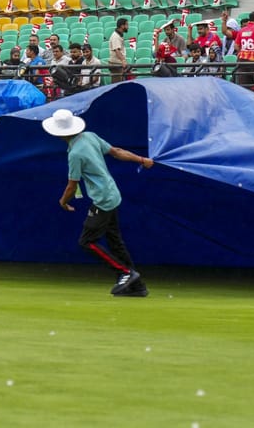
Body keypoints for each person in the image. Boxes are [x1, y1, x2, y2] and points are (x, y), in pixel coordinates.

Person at [43, 108, 151, 297]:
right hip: (112, 193)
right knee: (115, 241)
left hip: (102, 199)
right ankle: (137, 285)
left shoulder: (75, 153)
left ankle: (125, 273)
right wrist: (141, 159)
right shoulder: (90, 137)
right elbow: (116, 152)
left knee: (87, 242)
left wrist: (62, 202)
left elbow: (71, 185)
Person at [108, 17, 129, 83]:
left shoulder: (119, 35)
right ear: (122, 26)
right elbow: (117, 50)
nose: (128, 27)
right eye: (127, 25)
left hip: (117, 64)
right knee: (116, 85)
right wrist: (123, 60)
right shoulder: (115, 36)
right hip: (116, 64)